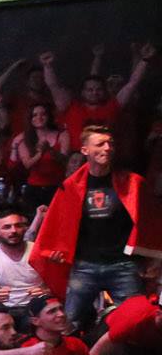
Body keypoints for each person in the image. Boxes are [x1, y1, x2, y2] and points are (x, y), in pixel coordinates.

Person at [28, 124, 145, 331]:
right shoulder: (71, 186)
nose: (107, 148)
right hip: (84, 266)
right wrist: (57, 249)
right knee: (68, 324)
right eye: (100, 144)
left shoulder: (133, 183)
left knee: (135, 323)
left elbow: (148, 224)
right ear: (85, 150)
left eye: (110, 144)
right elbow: (58, 225)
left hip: (123, 265)